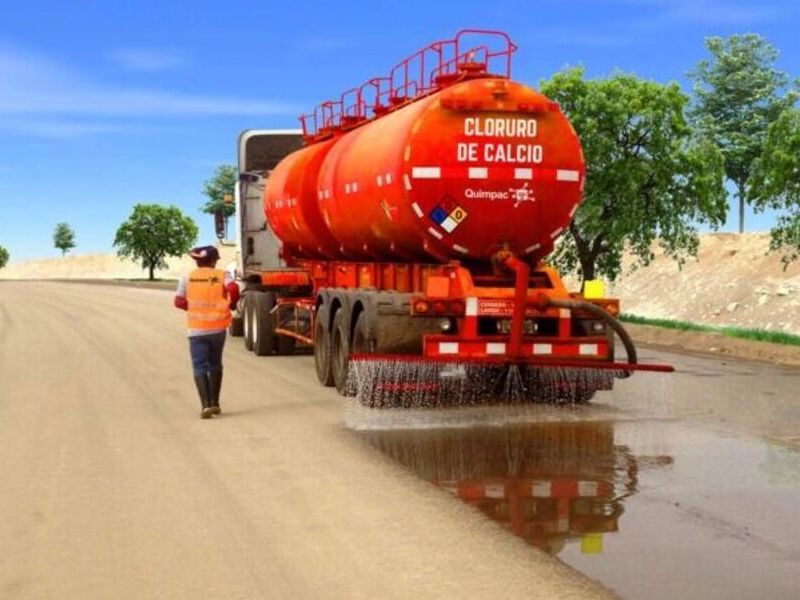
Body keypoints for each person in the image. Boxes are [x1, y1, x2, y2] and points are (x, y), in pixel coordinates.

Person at [174, 246, 240, 418]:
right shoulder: (222, 275)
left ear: (197, 261)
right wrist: (232, 305)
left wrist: (194, 307)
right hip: (218, 329)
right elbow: (233, 289)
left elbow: (178, 302)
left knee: (199, 366)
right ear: (213, 260)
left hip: (196, 330)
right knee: (215, 364)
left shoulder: (187, 277)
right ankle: (215, 403)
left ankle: (206, 406)